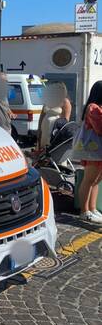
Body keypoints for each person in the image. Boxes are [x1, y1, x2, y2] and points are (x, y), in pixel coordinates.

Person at [72, 81, 102, 223]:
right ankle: (84, 211)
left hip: (98, 151)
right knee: (89, 180)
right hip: (93, 150)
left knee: (96, 181)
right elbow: (100, 127)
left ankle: (92, 208)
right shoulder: (93, 108)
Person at [37, 82, 71, 149]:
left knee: (51, 151)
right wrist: (39, 131)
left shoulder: (65, 102)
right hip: (44, 130)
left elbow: (66, 120)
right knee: (43, 151)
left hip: (54, 132)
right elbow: (41, 117)